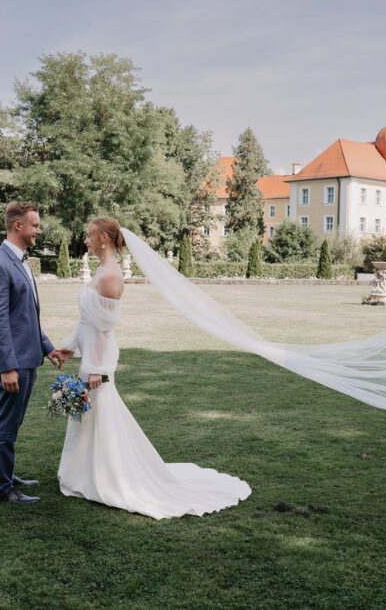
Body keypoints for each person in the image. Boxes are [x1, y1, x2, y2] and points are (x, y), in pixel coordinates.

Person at [53, 217, 251, 519]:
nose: (86, 240)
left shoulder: (109, 276)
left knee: (99, 416)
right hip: (88, 357)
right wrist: (69, 347)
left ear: (104, 239)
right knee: (85, 418)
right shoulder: (100, 272)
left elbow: (105, 330)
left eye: (90, 235)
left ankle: (105, 477)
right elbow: (87, 323)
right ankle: (82, 473)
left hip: (98, 362)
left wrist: (97, 368)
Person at [0, 201, 62, 504]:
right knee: (4, 423)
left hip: (28, 357)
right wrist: (7, 368)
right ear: (19, 225)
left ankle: (6, 474)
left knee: (13, 422)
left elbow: (26, 316)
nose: (39, 231)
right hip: (13, 364)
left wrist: (48, 347)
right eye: (35, 225)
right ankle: (1, 489)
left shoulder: (21, 261)